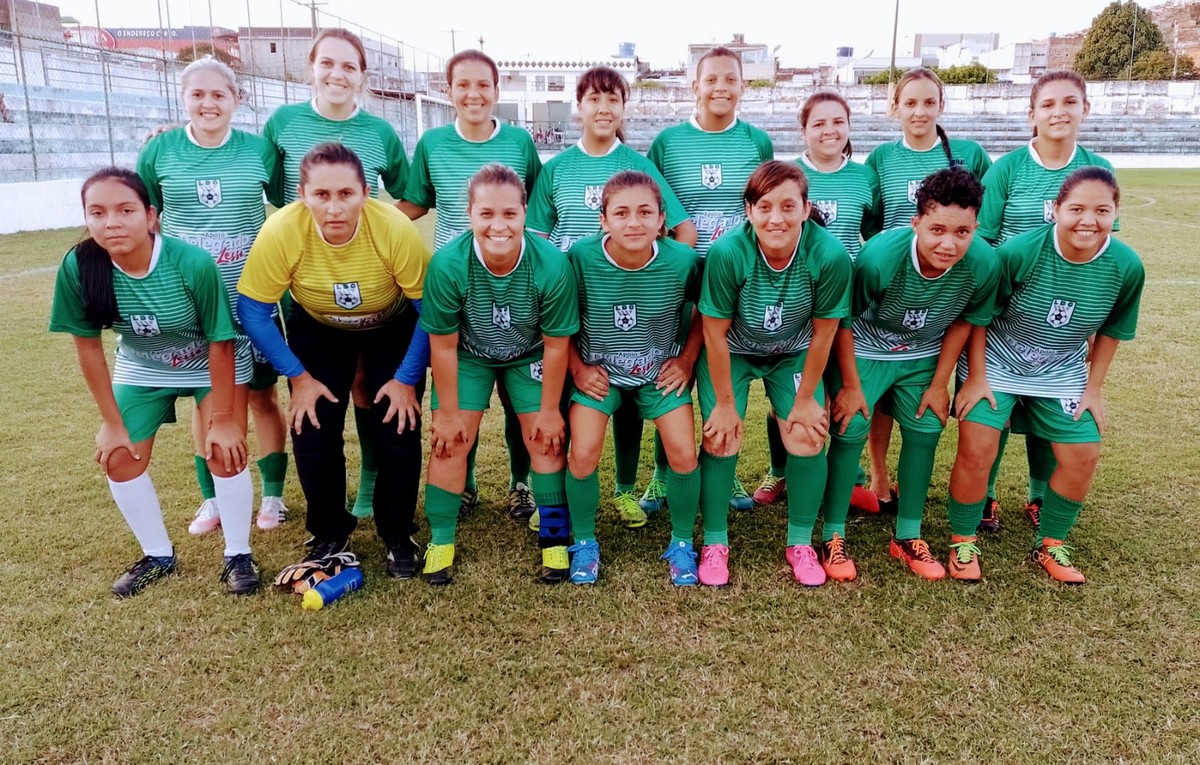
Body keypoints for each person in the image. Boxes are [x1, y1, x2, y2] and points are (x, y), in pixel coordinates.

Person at [49, 167, 259, 597]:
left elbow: (221, 340)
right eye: (98, 212)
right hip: (145, 365)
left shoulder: (190, 262)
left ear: (150, 216)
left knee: (225, 449)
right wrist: (111, 422)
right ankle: (158, 555)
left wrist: (221, 417)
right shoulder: (78, 265)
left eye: (125, 210)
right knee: (119, 457)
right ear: (86, 219)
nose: (112, 222)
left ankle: (238, 555)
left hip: (210, 359)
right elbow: (87, 346)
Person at [236, 143, 429, 578]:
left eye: (346, 194)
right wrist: (298, 377)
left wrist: (406, 379)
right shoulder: (283, 230)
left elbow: (430, 311)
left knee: (399, 424)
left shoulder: (393, 228)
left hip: (391, 323)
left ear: (366, 194)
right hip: (318, 325)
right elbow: (253, 309)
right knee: (312, 424)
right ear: (302, 195)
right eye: (321, 195)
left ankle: (398, 533)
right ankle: (328, 533)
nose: (334, 207)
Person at [949, 167, 1142, 584]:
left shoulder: (1126, 266)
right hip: (998, 359)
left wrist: (1093, 390)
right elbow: (980, 316)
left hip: (1062, 368)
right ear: (1055, 210)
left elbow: (1112, 331)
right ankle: (963, 541)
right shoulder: (1019, 252)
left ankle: (1051, 543)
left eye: (1101, 210)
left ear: (1115, 213)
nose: (1087, 220)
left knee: (1084, 453)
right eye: (1076, 208)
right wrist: (977, 376)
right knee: (977, 447)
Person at [527, 65, 697, 531]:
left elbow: (682, 229)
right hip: (575, 307)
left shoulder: (640, 166)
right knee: (568, 405)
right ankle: (552, 500)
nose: (603, 108)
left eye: (613, 99)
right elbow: (537, 239)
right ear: (578, 106)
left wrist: (659, 273)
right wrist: (554, 286)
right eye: (594, 99)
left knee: (627, 399)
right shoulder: (557, 167)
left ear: (624, 107)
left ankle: (623, 490)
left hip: (637, 306)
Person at [137, 57, 290, 537]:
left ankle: (273, 496)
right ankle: (211, 498)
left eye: (218, 95)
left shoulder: (260, 151)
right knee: (206, 403)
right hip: (190, 302)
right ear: (184, 98)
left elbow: (289, 206)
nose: (208, 103)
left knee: (263, 394)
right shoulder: (159, 150)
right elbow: (147, 217)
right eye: (197, 94)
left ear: (235, 100)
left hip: (253, 297)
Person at [263, 28, 412, 522]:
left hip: (373, 280)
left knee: (373, 383)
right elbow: (246, 167)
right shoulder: (283, 122)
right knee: (322, 391)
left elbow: (411, 195)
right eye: (328, 63)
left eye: (349, 66)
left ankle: (372, 484)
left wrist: (377, 238)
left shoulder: (380, 133)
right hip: (307, 280)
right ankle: (324, 517)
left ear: (363, 76)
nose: (337, 74)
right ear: (311, 68)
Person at [822, 167, 998, 582]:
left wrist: (941, 383)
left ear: (976, 227)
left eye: (962, 232)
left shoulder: (983, 263)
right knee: (850, 428)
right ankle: (832, 534)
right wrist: (848, 384)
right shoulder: (879, 258)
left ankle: (907, 535)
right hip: (866, 346)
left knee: (926, 427)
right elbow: (842, 320)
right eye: (937, 229)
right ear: (915, 222)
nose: (948, 243)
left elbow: (965, 321)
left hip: (922, 352)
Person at [400, 50, 543, 521]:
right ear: (448, 90)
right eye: (463, 84)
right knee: (462, 390)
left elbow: (535, 210)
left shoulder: (521, 143)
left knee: (516, 394)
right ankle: (464, 483)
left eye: (483, 84)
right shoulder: (433, 142)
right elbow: (416, 203)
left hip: (511, 283)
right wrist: (368, 224)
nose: (474, 93)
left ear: (497, 92)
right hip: (454, 287)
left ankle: (520, 483)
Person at [418, 164, 578, 586]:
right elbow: (444, 346)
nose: (498, 225)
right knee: (449, 443)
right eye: (486, 214)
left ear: (525, 213)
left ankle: (555, 539)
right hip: (470, 355)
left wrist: (548, 411)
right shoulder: (448, 264)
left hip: (529, 355)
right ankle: (441, 541)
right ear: (469, 214)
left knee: (546, 439)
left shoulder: (551, 264)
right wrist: (448, 412)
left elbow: (558, 343)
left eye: (509, 213)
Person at [696, 160, 851, 587]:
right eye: (764, 206)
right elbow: (713, 331)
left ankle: (800, 541)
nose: (776, 217)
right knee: (720, 434)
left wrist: (804, 402)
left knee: (806, 433)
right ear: (749, 211)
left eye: (788, 206)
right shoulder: (729, 252)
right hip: (734, 350)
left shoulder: (829, 255)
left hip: (794, 351)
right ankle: (714, 542)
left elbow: (824, 334)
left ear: (805, 208)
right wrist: (725, 405)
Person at [973, 70, 1116, 533]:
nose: (1060, 112)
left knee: (1048, 403)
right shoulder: (1007, 169)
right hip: (1008, 310)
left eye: (1070, 102)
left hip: (1067, 316)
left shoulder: (1098, 170)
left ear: (1085, 110)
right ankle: (987, 497)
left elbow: (1101, 250)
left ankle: (1039, 495)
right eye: (1049, 104)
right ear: (1032, 113)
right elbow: (986, 240)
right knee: (998, 407)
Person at [646, 46, 774, 514]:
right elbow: (658, 209)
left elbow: (763, 203)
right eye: (712, 79)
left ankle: (726, 468)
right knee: (674, 373)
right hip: (679, 278)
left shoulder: (756, 142)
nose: (721, 87)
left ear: (743, 86)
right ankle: (663, 475)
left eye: (731, 79)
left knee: (721, 380)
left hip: (736, 277)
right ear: (694, 85)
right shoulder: (668, 142)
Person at [562, 171, 703, 586]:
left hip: (657, 374)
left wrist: (687, 359)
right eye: (620, 213)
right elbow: (557, 322)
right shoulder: (580, 259)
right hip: (598, 374)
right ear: (603, 219)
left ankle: (681, 543)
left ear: (662, 219)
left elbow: (707, 311)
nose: (633, 222)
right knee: (583, 453)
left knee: (683, 453)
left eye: (645, 212)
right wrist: (577, 368)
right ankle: (584, 541)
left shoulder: (683, 260)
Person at [863, 67, 992, 516]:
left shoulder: (969, 155)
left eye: (928, 102)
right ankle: (878, 472)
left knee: (929, 394)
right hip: (895, 284)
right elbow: (873, 225)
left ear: (941, 106)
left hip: (943, 291)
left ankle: (979, 494)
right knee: (879, 393)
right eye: (910, 102)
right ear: (894, 107)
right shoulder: (881, 158)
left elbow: (982, 222)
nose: (919, 111)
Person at [755, 90, 883, 510]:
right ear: (803, 130)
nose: (829, 131)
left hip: (844, 298)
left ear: (849, 127)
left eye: (838, 122)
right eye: (819, 123)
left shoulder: (865, 177)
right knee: (792, 387)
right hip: (792, 295)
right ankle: (781, 471)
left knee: (841, 384)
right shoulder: (786, 174)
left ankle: (850, 476)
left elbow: (875, 231)